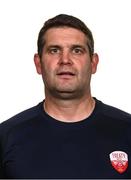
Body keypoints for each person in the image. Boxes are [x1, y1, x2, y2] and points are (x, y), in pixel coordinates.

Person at [0, 14, 131, 179]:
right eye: (54, 50)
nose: (65, 60)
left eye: (77, 50)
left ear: (93, 63)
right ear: (38, 63)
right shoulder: (6, 137)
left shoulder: (127, 130)